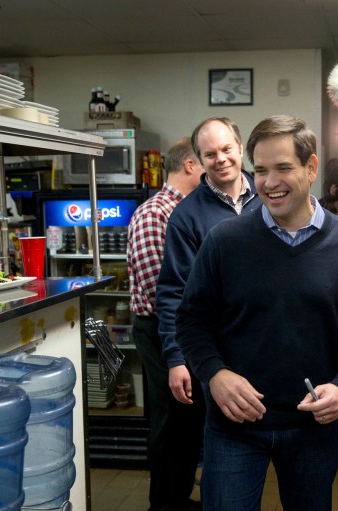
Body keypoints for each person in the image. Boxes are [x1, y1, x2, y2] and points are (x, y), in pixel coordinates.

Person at [174, 115, 338, 510]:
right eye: (261, 170)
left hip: (314, 430)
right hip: (233, 428)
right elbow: (191, 319)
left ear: (311, 166)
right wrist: (215, 375)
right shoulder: (225, 241)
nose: (270, 183)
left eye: (283, 168)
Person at [154, 117, 262, 510]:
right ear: (197, 160)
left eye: (227, 149)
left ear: (240, 147)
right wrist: (176, 358)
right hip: (215, 353)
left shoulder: (271, 193)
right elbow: (172, 293)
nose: (221, 159)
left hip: (268, 346)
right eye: (209, 154)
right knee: (225, 453)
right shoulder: (187, 216)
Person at [127, 137, 204, 511]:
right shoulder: (155, 213)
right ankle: (164, 504)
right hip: (161, 330)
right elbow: (165, 291)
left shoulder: (189, 210)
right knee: (170, 421)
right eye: (206, 162)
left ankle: (178, 497)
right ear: (190, 165)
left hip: (182, 330)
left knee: (187, 421)